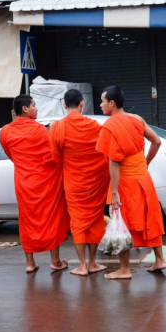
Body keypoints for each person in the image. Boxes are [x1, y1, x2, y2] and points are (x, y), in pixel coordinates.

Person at [95, 86, 166, 279]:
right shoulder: (138, 119)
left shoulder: (110, 126)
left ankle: (125, 269)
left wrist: (115, 192)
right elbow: (157, 141)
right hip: (144, 178)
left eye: (102, 101)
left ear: (112, 103)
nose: (100, 105)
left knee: (122, 223)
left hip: (126, 182)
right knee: (150, 217)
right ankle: (159, 259)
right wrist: (146, 162)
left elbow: (114, 161)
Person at [0, 95, 69, 273]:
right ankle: (55, 261)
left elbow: (12, 155)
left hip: (24, 182)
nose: (36, 109)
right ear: (25, 109)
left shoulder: (6, 131)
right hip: (44, 181)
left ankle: (30, 263)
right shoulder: (39, 130)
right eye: (34, 105)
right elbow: (53, 156)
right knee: (51, 217)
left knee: (27, 220)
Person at [50, 89, 110, 276]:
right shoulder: (94, 126)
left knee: (78, 222)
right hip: (95, 181)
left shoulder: (58, 127)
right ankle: (93, 263)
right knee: (94, 220)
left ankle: (82, 266)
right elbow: (105, 151)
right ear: (82, 104)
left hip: (74, 182)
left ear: (64, 105)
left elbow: (55, 157)